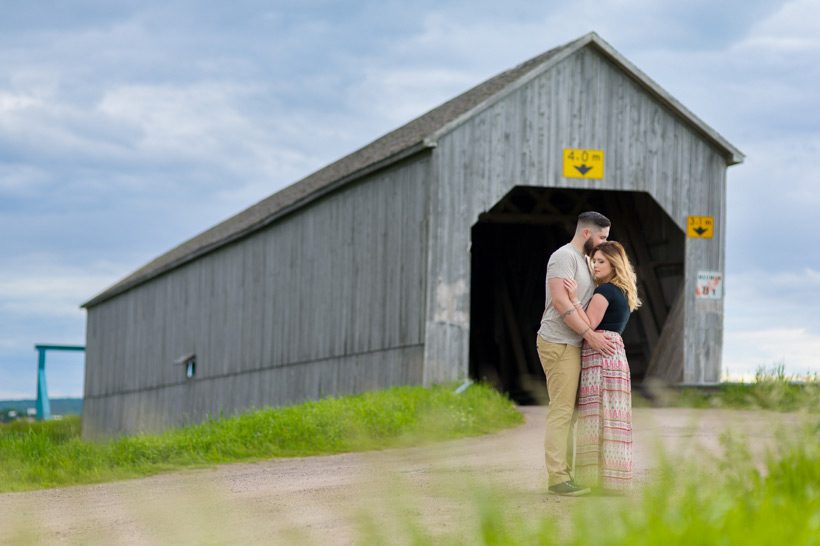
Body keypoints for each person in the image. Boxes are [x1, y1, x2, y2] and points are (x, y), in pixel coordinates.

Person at [537, 211, 618, 497]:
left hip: (574, 344)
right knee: (561, 412)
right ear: (587, 233)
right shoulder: (564, 257)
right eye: (602, 237)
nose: (603, 243)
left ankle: (569, 474)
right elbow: (559, 301)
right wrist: (589, 335)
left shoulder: (585, 260)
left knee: (571, 414)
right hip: (559, 342)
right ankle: (558, 479)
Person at [564, 241, 641, 493]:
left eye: (601, 262)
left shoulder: (604, 291)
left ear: (613, 264)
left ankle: (593, 481)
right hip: (616, 353)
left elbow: (588, 323)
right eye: (593, 261)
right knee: (613, 415)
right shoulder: (623, 291)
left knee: (596, 415)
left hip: (599, 354)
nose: (595, 266)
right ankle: (614, 479)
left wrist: (574, 299)